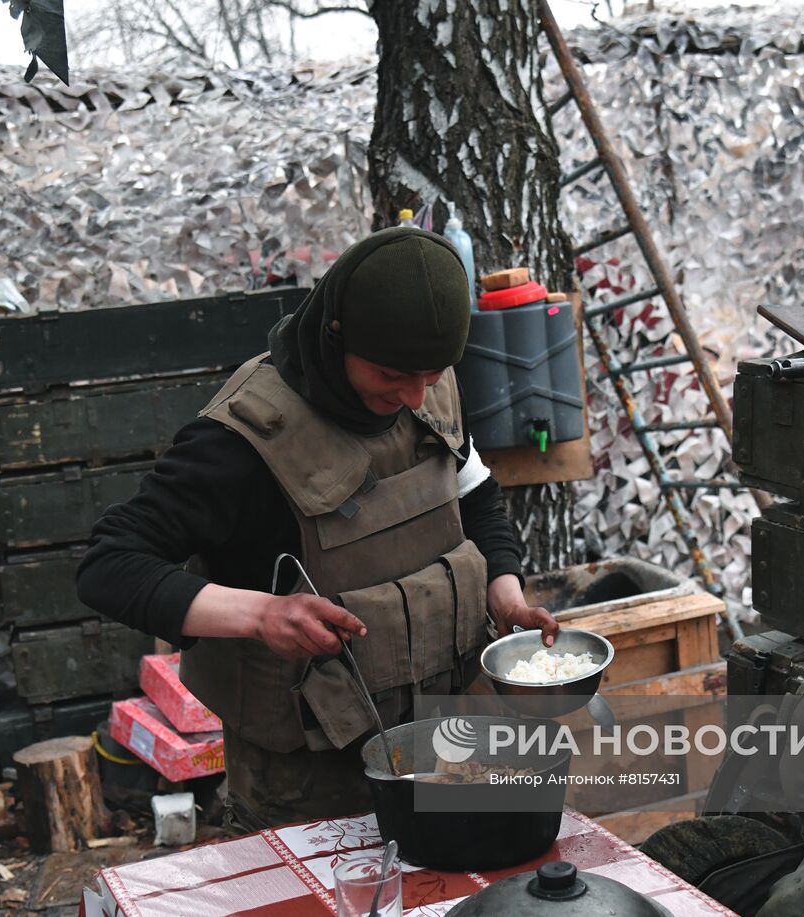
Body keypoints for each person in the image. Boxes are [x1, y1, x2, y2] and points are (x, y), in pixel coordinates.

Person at [76, 226, 559, 833]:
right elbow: (109, 565)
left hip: (448, 736)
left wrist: (505, 592)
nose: (413, 397)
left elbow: (477, 497)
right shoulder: (242, 441)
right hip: (309, 784)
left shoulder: (426, 387)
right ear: (337, 336)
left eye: (431, 376)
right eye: (391, 374)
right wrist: (261, 615)